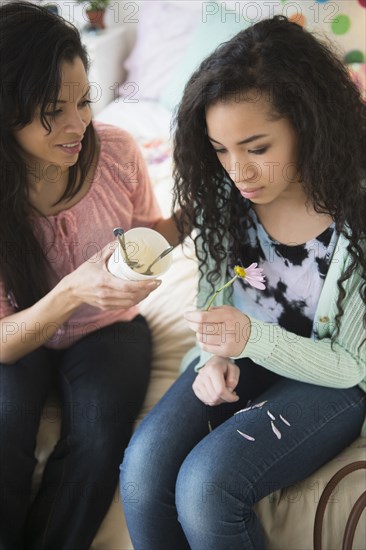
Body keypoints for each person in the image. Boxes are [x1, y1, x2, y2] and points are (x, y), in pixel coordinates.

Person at [120, 15, 366, 549]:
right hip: (240, 358)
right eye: (221, 150)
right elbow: (214, 294)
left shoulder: (356, 220)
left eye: (257, 148)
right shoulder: (225, 200)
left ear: (309, 123)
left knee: (207, 489)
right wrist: (212, 360)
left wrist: (250, 339)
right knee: (140, 473)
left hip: (328, 381)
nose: (239, 171)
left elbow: (352, 364)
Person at [0, 2, 181, 548]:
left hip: (108, 327)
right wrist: (75, 287)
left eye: (84, 101)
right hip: (19, 337)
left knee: (101, 437)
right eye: (55, 110)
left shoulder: (119, 152)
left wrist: (202, 207)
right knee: (6, 429)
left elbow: (150, 231)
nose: (79, 125)